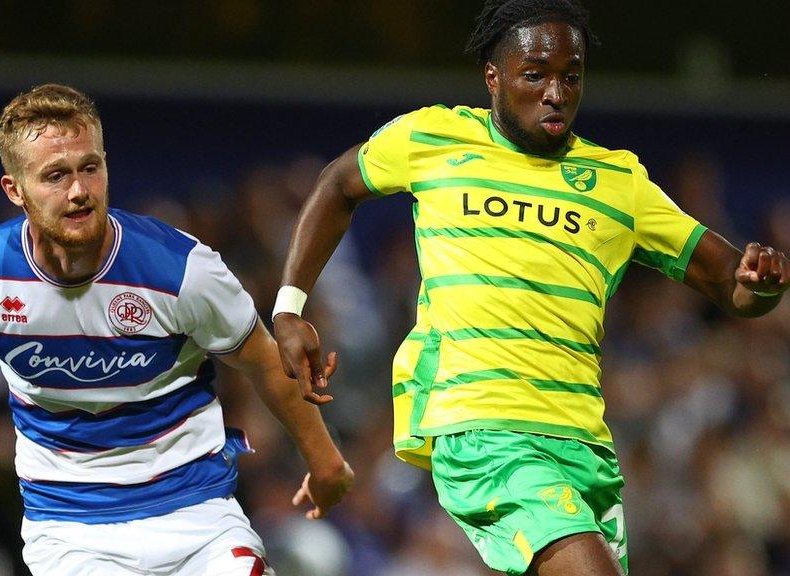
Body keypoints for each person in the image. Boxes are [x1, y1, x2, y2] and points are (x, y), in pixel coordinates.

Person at [271, 1, 788, 575]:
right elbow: (338, 183)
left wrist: (760, 280)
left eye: (571, 76)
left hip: (582, 441)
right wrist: (290, 306)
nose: (556, 92)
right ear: (494, 77)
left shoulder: (619, 183)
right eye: (535, 74)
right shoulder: (434, 137)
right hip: (482, 427)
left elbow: (732, 286)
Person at [0, 83, 353, 576]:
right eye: (55, 175)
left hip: (196, 515)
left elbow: (262, 358)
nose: (79, 191)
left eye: (90, 167)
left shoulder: (181, 270)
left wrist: (324, 461)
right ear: (15, 190)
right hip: (70, 530)